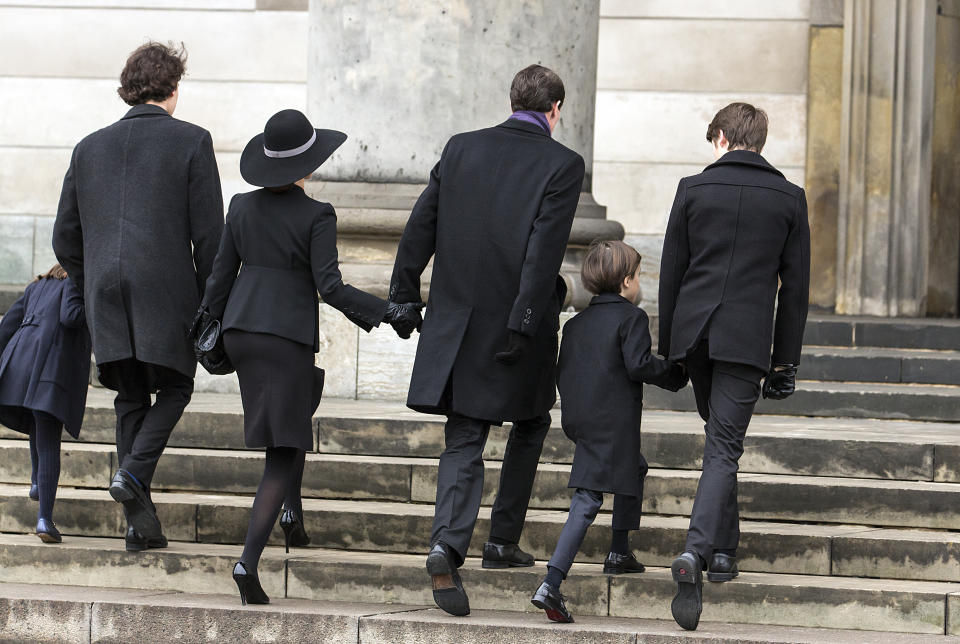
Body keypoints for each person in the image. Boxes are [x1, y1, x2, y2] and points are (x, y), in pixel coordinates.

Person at [201, 108, 422, 606]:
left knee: (293, 414)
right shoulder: (316, 214)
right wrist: (388, 311)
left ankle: (292, 514)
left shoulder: (239, 206)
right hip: (283, 336)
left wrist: (206, 328)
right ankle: (247, 562)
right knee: (282, 450)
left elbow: (219, 278)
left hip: (241, 332)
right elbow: (332, 287)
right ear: (308, 164)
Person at [389, 64, 585, 616]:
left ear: (512, 99)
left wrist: (404, 292)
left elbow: (419, 224)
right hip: (515, 323)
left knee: (465, 436)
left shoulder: (461, 148)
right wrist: (524, 322)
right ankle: (501, 538)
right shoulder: (563, 163)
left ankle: (447, 544)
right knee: (532, 418)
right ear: (555, 110)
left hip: (455, 324)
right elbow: (543, 250)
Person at [52, 41, 224, 552]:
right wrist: (210, 304)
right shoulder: (193, 141)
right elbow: (210, 236)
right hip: (166, 291)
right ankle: (130, 475)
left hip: (105, 290)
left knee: (130, 396)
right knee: (175, 387)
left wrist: (89, 282)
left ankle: (139, 525)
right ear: (173, 90)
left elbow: (65, 236)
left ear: (129, 89)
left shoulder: (88, 147)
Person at [658, 103, 810, 630]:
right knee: (724, 446)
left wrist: (668, 348)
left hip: (695, 335)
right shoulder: (790, 198)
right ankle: (696, 555)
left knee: (720, 442)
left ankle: (723, 550)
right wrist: (785, 360)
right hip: (746, 341)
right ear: (760, 141)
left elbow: (671, 271)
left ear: (721, 137)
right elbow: (795, 293)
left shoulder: (692, 189)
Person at [530, 241, 686, 623]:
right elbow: (638, 364)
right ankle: (551, 582)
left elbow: (562, 370)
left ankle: (619, 551)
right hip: (612, 421)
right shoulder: (631, 318)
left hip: (582, 418)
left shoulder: (577, 323)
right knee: (588, 499)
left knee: (635, 467)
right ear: (627, 281)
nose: (639, 283)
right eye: (638, 275)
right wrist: (676, 373)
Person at [0, 265, 91, 543]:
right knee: (49, 434)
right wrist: (98, 307)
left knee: (36, 420)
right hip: (50, 367)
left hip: (19, 365)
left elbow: (5, 328)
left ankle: (37, 480)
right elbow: (71, 316)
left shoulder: (35, 286)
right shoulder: (76, 284)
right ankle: (44, 520)